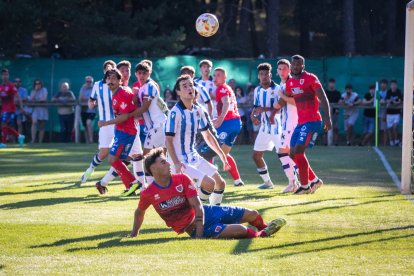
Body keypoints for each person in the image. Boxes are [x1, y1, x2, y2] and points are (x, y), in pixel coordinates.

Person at [129, 147, 286, 239]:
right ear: (154, 169)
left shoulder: (182, 179)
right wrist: (134, 233)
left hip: (207, 212)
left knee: (253, 214)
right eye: (163, 162)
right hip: (193, 227)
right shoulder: (149, 193)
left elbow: (198, 205)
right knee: (241, 229)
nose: (168, 163)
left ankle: (265, 227)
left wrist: (199, 233)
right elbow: (139, 212)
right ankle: (263, 235)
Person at [165, 74, 230, 205]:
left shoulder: (198, 110)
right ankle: (199, 214)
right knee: (209, 184)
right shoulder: (175, 112)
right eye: (185, 86)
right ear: (178, 92)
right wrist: (177, 163)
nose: (190, 88)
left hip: (193, 156)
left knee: (220, 184)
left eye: (191, 85)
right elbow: (168, 141)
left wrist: (222, 155)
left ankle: (213, 212)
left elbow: (208, 135)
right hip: (179, 160)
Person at [275, 55, 331, 195]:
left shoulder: (311, 78)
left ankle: (305, 186)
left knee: (299, 150)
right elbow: (284, 99)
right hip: (301, 123)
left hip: (312, 121)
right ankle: (315, 180)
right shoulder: (290, 83)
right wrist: (271, 110)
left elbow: (323, 98)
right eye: (293, 65)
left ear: (302, 66)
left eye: (298, 65)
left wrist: (328, 119)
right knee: (293, 154)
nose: (295, 67)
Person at [251, 62, 297, 191]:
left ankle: (294, 182)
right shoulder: (257, 90)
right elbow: (256, 107)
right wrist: (253, 116)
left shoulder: (278, 89)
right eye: (261, 74)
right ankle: (268, 182)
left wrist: (264, 110)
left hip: (278, 127)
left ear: (270, 75)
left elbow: (281, 107)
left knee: (284, 155)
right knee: (256, 155)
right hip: (264, 128)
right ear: (258, 76)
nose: (264, 77)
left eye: (266, 74)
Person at [97, 68, 142, 196]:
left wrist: (105, 123)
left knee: (113, 159)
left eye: (113, 78)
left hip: (126, 131)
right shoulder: (116, 93)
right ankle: (130, 187)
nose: (110, 81)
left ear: (119, 80)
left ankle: (134, 183)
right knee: (121, 160)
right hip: (123, 130)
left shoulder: (121, 94)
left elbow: (124, 116)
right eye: (108, 78)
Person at [81, 60, 116, 183]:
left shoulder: (119, 84)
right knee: (103, 153)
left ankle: (130, 179)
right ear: (104, 71)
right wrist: (92, 104)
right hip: (105, 124)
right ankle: (90, 169)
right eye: (107, 68)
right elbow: (91, 101)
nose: (109, 70)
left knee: (123, 153)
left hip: (119, 123)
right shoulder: (97, 85)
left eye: (111, 68)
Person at [213, 67, 244, 187]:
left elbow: (226, 103)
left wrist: (220, 119)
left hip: (228, 123)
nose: (215, 78)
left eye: (218, 75)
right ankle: (237, 180)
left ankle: (208, 180)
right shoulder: (228, 88)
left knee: (209, 148)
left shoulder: (221, 88)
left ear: (224, 77)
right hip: (236, 123)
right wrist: (218, 118)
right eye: (214, 75)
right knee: (223, 153)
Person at [274, 59, 300, 193]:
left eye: (285, 68)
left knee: (285, 152)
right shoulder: (282, 84)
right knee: (288, 153)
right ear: (277, 71)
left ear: (289, 70)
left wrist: (280, 97)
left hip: (292, 123)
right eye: (280, 69)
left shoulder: (290, 83)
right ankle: (295, 182)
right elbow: (280, 105)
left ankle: (300, 181)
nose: (282, 71)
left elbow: (296, 102)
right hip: (286, 123)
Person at [0, 68, 25, 146]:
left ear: (8, 75)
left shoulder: (11, 85)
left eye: (6, 74)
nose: (5, 76)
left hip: (11, 109)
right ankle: (19, 136)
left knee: (3, 124)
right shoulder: (0, 87)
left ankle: (3, 143)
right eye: (3, 75)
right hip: (4, 109)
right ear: (1, 76)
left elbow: (18, 97)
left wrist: (21, 108)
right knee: (4, 125)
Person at [29, 79, 48, 143]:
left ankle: (40, 141)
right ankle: (33, 140)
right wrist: (35, 91)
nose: (38, 85)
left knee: (42, 125)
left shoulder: (44, 90)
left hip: (43, 109)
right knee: (34, 122)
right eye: (36, 84)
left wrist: (36, 100)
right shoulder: (33, 91)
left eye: (39, 83)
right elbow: (31, 99)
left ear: (41, 84)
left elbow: (44, 99)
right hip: (35, 109)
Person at [324, 78, 341, 146]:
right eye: (330, 83)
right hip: (327, 113)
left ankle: (335, 143)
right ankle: (325, 143)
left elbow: (339, 102)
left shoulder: (337, 93)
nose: (331, 84)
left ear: (334, 84)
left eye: (333, 83)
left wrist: (337, 108)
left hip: (335, 113)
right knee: (326, 128)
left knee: (335, 128)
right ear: (328, 83)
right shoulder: (325, 92)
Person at [385, 80, 403, 146]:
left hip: (396, 113)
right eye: (392, 85)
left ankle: (396, 140)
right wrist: (391, 101)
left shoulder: (398, 91)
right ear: (390, 86)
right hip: (389, 113)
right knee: (389, 128)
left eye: (395, 85)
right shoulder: (389, 92)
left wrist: (394, 102)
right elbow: (387, 100)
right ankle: (391, 141)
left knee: (395, 127)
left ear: (396, 85)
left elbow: (400, 101)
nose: (393, 86)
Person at [79, 76, 96, 144]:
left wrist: (88, 99)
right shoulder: (83, 88)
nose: (88, 83)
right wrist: (89, 99)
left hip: (92, 110)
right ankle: (87, 141)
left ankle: (91, 139)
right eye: (87, 81)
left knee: (88, 123)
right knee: (85, 126)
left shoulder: (94, 89)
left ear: (92, 82)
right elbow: (80, 98)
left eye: (90, 82)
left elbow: (94, 99)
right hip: (84, 109)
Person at [378, 79, 389, 146]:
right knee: (381, 130)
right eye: (382, 83)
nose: (383, 85)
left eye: (384, 83)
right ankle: (382, 143)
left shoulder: (388, 93)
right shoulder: (378, 93)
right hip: (379, 113)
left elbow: (386, 102)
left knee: (385, 129)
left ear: (386, 85)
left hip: (386, 112)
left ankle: (385, 144)